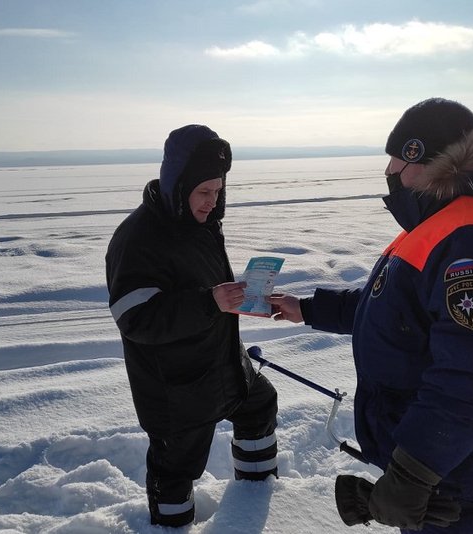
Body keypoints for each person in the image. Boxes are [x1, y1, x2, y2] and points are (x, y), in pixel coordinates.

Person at [269, 98, 473, 533]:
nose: (388, 174)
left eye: (396, 161)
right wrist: (308, 309)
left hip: (464, 483)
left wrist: (413, 472)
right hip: (443, 477)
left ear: (424, 158)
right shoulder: (446, 225)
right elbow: (400, 310)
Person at [106, 124, 279, 527]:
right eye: (204, 192)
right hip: (177, 387)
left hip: (223, 365)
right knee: (176, 471)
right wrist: (210, 302)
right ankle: (172, 526)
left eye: (218, 191)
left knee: (259, 405)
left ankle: (255, 498)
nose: (212, 201)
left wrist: (242, 298)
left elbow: (208, 291)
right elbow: (136, 317)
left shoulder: (200, 224)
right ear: (177, 182)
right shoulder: (138, 238)